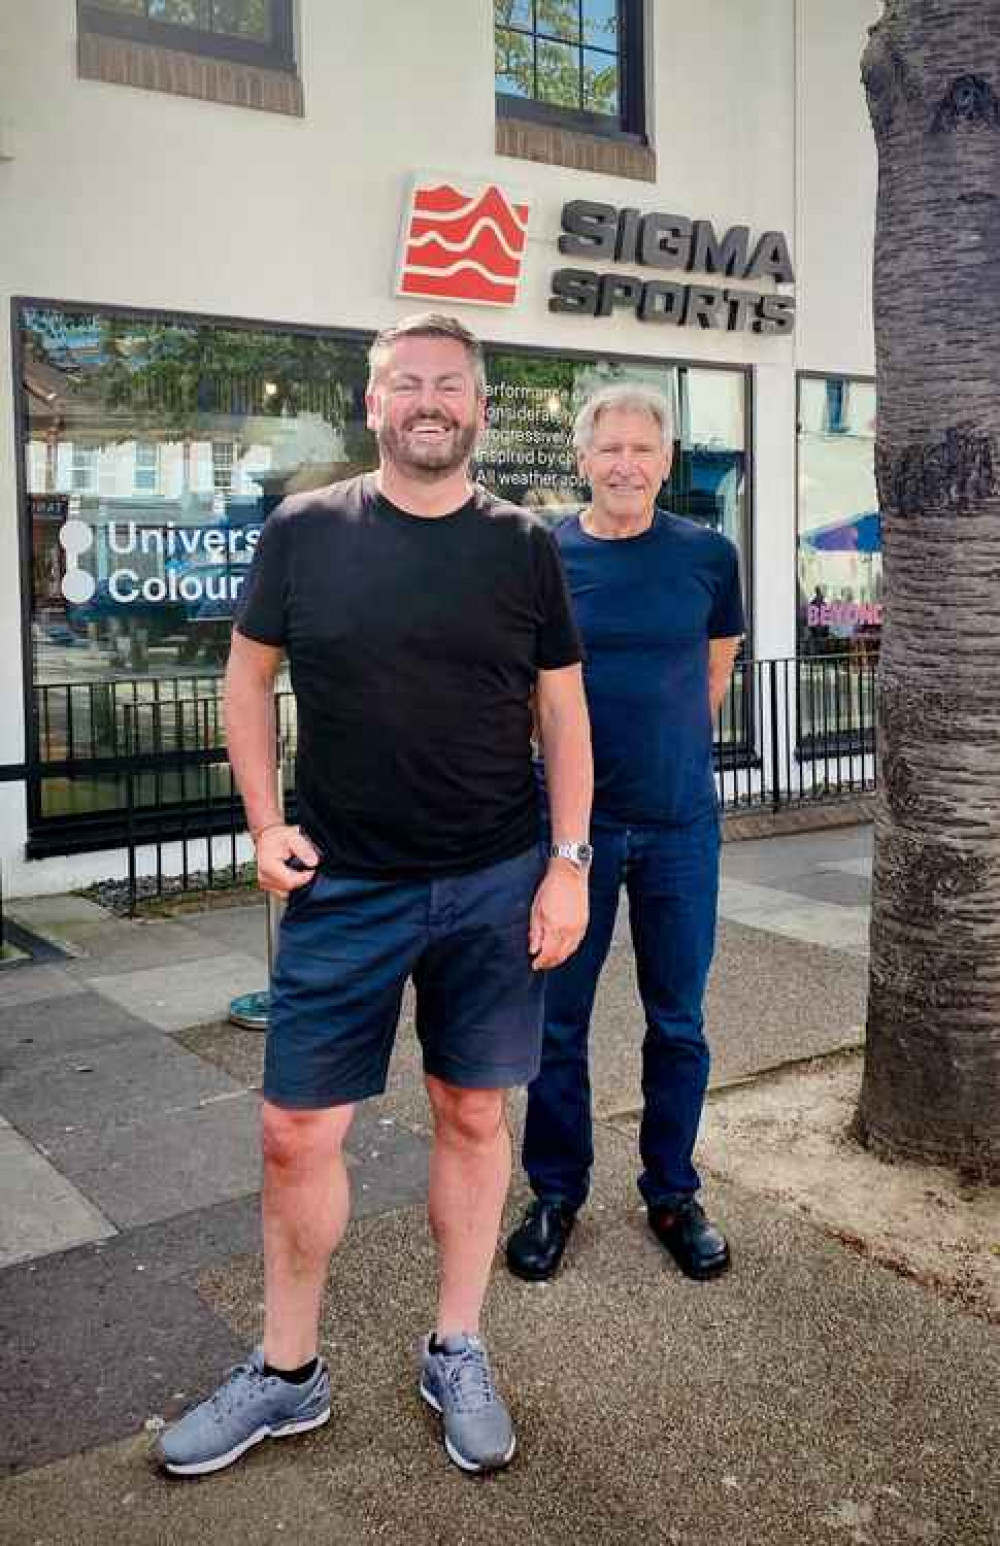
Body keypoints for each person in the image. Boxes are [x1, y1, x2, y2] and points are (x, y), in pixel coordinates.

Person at [157, 314, 593, 1478]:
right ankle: (287, 1372)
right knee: (295, 1129)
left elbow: (564, 712)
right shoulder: (304, 530)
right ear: (374, 404)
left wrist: (568, 862)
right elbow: (245, 681)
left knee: (471, 1114)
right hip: (344, 882)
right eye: (407, 383)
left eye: (451, 384)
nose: (429, 401)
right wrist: (261, 823)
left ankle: (456, 1344)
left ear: (482, 409)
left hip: (498, 879)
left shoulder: (524, 546)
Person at [505, 383, 744, 1286]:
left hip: (681, 827)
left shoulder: (708, 557)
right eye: (610, 448)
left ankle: (673, 1192)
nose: (626, 465)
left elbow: (712, 671)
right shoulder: (544, 554)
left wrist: (662, 756)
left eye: (644, 449)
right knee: (556, 1024)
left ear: (666, 461)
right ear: (581, 459)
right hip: (573, 833)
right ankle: (556, 1193)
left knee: (677, 1022)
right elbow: (528, 687)